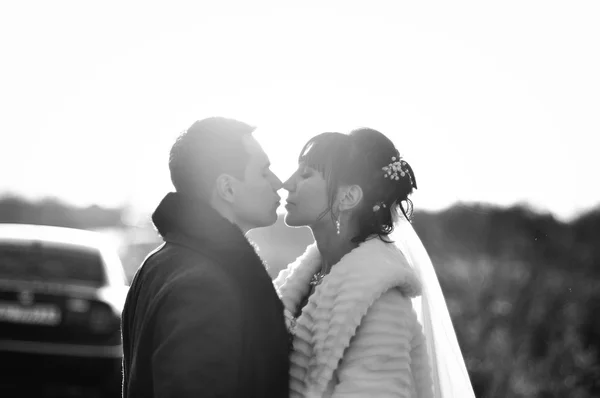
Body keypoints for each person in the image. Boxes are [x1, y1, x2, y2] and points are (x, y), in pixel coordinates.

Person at [274, 128, 475, 397]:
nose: (287, 183)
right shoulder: (303, 276)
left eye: (306, 174)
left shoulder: (381, 299)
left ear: (348, 198)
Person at [121, 117, 290, 397]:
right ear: (227, 188)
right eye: (263, 171)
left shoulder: (159, 262)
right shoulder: (204, 285)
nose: (279, 182)